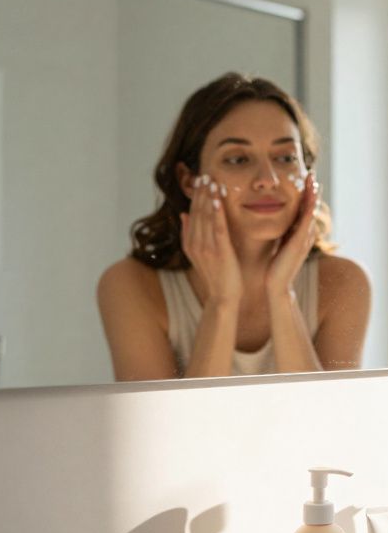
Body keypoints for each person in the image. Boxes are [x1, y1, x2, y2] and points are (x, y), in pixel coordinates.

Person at [98, 73, 370, 380]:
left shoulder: (343, 284)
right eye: (238, 159)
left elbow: (324, 423)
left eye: (285, 157)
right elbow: (175, 427)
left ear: (308, 174)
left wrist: (281, 294)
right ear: (189, 180)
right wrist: (222, 303)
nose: (268, 179)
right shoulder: (131, 286)